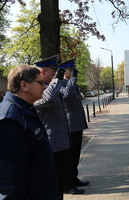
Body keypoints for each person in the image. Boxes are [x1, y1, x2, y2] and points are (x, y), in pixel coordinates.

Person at [0, 65, 60, 199]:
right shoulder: (10, 120)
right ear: (24, 85)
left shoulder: (25, 109)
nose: (44, 87)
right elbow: (9, 183)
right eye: (40, 82)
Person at [33, 55, 71, 199]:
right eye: (54, 71)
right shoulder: (39, 89)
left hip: (61, 140)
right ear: (43, 73)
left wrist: (64, 78)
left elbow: (65, 92)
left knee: (60, 179)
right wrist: (58, 79)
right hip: (52, 143)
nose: (57, 74)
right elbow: (48, 99)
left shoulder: (52, 85)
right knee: (54, 182)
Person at [59, 59, 89, 194]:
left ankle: (74, 178)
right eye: (71, 70)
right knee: (70, 156)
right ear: (64, 71)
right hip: (70, 125)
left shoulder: (70, 83)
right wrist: (72, 80)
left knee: (76, 154)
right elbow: (66, 97)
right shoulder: (61, 84)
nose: (73, 72)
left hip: (76, 124)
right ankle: (68, 184)